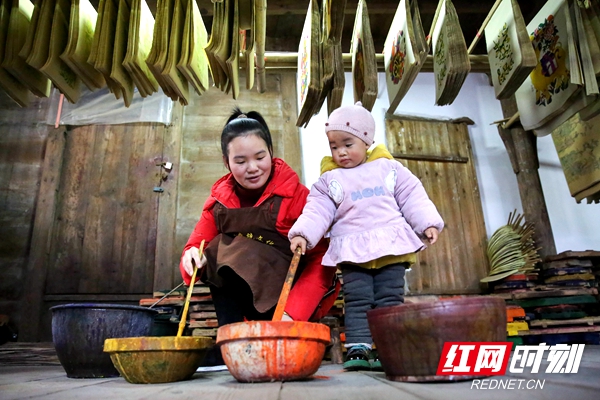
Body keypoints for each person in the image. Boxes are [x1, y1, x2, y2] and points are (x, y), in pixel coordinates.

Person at [288, 101, 444, 371]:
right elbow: (317, 210)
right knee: (357, 299)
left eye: (348, 144)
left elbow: (412, 196)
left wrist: (427, 223)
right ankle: (358, 346)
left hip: (390, 249)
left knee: (389, 299)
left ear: (366, 140)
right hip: (353, 252)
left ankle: (389, 346)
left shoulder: (389, 169)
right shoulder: (330, 180)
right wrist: (303, 234)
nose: (341, 152)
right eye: (334, 146)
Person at [180, 108, 339, 342]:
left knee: (243, 248)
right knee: (214, 249)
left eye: (260, 157)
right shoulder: (218, 203)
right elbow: (195, 246)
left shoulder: (298, 197)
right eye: (240, 161)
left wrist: (291, 315)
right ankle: (230, 338)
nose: (252, 168)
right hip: (243, 302)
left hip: (288, 299)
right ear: (226, 162)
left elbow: (321, 260)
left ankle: (253, 331)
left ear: (271, 153)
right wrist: (192, 258)